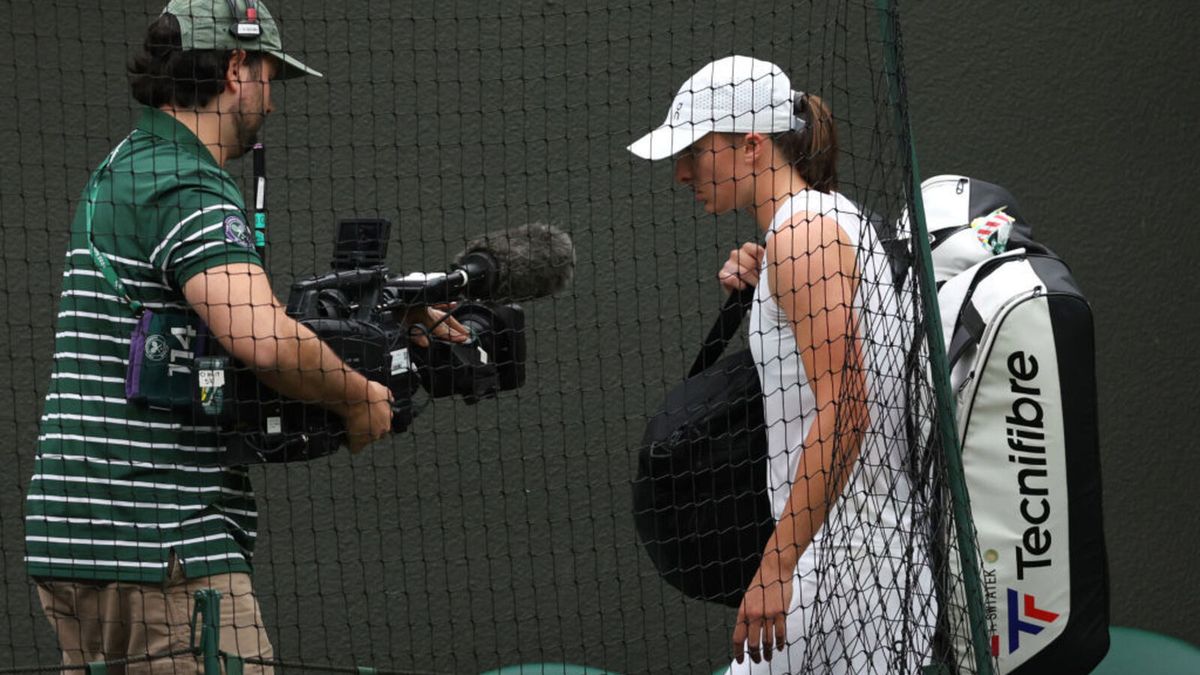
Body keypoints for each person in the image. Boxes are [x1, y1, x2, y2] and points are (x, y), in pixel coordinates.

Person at [24, 1, 464, 672]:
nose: (271, 103)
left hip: (75, 536)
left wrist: (384, 316)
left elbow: (225, 337)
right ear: (235, 67)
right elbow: (261, 337)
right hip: (161, 544)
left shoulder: (127, 166)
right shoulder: (186, 182)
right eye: (267, 76)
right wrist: (358, 398)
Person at [629, 55, 935, 673]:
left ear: (750, 146)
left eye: (695, 151)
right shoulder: (820, 224)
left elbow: (847, 408)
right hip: (857, 558)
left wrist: (775, 567)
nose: (681, 172)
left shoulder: (803, 236)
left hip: (847, 568)